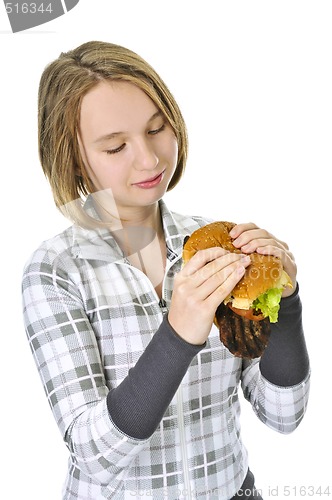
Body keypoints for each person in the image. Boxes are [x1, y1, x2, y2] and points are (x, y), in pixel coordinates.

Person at [22, 41, 310, 500]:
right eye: (116, 147)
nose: (150, 159)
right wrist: (177, 335)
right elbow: (94, 458)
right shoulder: (56, 272)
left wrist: (286, 302)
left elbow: (284, 413)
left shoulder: (219, 246)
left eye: (157, 129)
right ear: (73, 157)